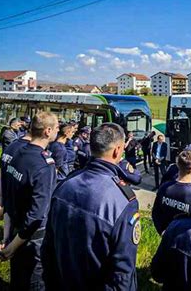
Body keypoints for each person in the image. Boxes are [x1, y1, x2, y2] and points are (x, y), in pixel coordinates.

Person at [41, 123, 140, 290]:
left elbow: (48, 247)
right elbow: (123, 272)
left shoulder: (65, 184)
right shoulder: (124, 201)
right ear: (117, 150)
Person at [0, 112, 59, 290]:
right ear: (47, 131)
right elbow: (37, 215)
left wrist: (9, 239)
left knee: (18, 278)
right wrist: (11, 248)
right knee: (35, 281)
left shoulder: (18, 151)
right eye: (56, 127)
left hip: (16, 227)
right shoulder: (44, 165)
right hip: (32, 237)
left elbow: (7, 191)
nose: (58, 130)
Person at [152, 150, 191, 235]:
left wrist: (162, 232)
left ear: (178, 165)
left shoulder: (164, 188)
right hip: (187, 241)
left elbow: (156, 213)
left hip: (167, 238)